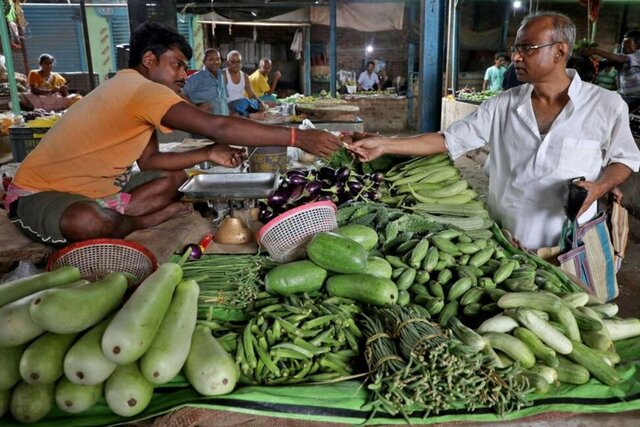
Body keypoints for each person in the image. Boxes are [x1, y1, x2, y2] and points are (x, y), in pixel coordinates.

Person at [7, 22, 340, 246]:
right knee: (88, 222)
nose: (184, 74)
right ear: (149, 60)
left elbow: (150, 159)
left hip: (102, 192)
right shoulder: (140, 89)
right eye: (176, 64)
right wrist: (297, 137)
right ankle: (136, 222)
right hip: (43, 193)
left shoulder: (133, 89)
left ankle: (119, 216)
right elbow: (218, 125)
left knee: (174, 177)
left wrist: (210, 153)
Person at [349, 12, 640, 251]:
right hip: (507, 239)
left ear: (560, 52)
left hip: (572, 243)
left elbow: (625, 159)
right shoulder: (502, 105)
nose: (516, 57)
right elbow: (447, 140)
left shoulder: (605, 105)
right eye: (517, 48)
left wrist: (600, 187)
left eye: (528, 48)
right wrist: (385, 144)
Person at [580, 30, 640, 112]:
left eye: (628, 42)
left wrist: (595, 51)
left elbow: (620, 59)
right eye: (623, 42)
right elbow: (606, 62)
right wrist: (590, 61)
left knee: (610, 109)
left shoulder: (637, 55)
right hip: (623, 95)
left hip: (636, 97)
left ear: (638, 45)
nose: (623, 45)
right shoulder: (622, 56)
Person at [182, 48, 229, 116]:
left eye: (217, 59)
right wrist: (196, 109)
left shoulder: (221, 75)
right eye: (211, 59)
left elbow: (223, 99)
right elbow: (181, 94)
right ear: (204, 61)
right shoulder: (196, 77)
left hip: (222, 119)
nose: (215, 62)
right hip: (205, 120)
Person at [224, 50, 266, 119]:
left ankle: (248, 114)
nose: (236, 64)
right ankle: (250, 115)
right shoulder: (224, 74)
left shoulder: (245, 76)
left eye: (238, 62)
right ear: (228, 63)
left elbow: (251, 95)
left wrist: (260, 103)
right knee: (241, 104)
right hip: (229, 105)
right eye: (233, 62)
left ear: (241, 63)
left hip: (243, 104)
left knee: (256, 103)